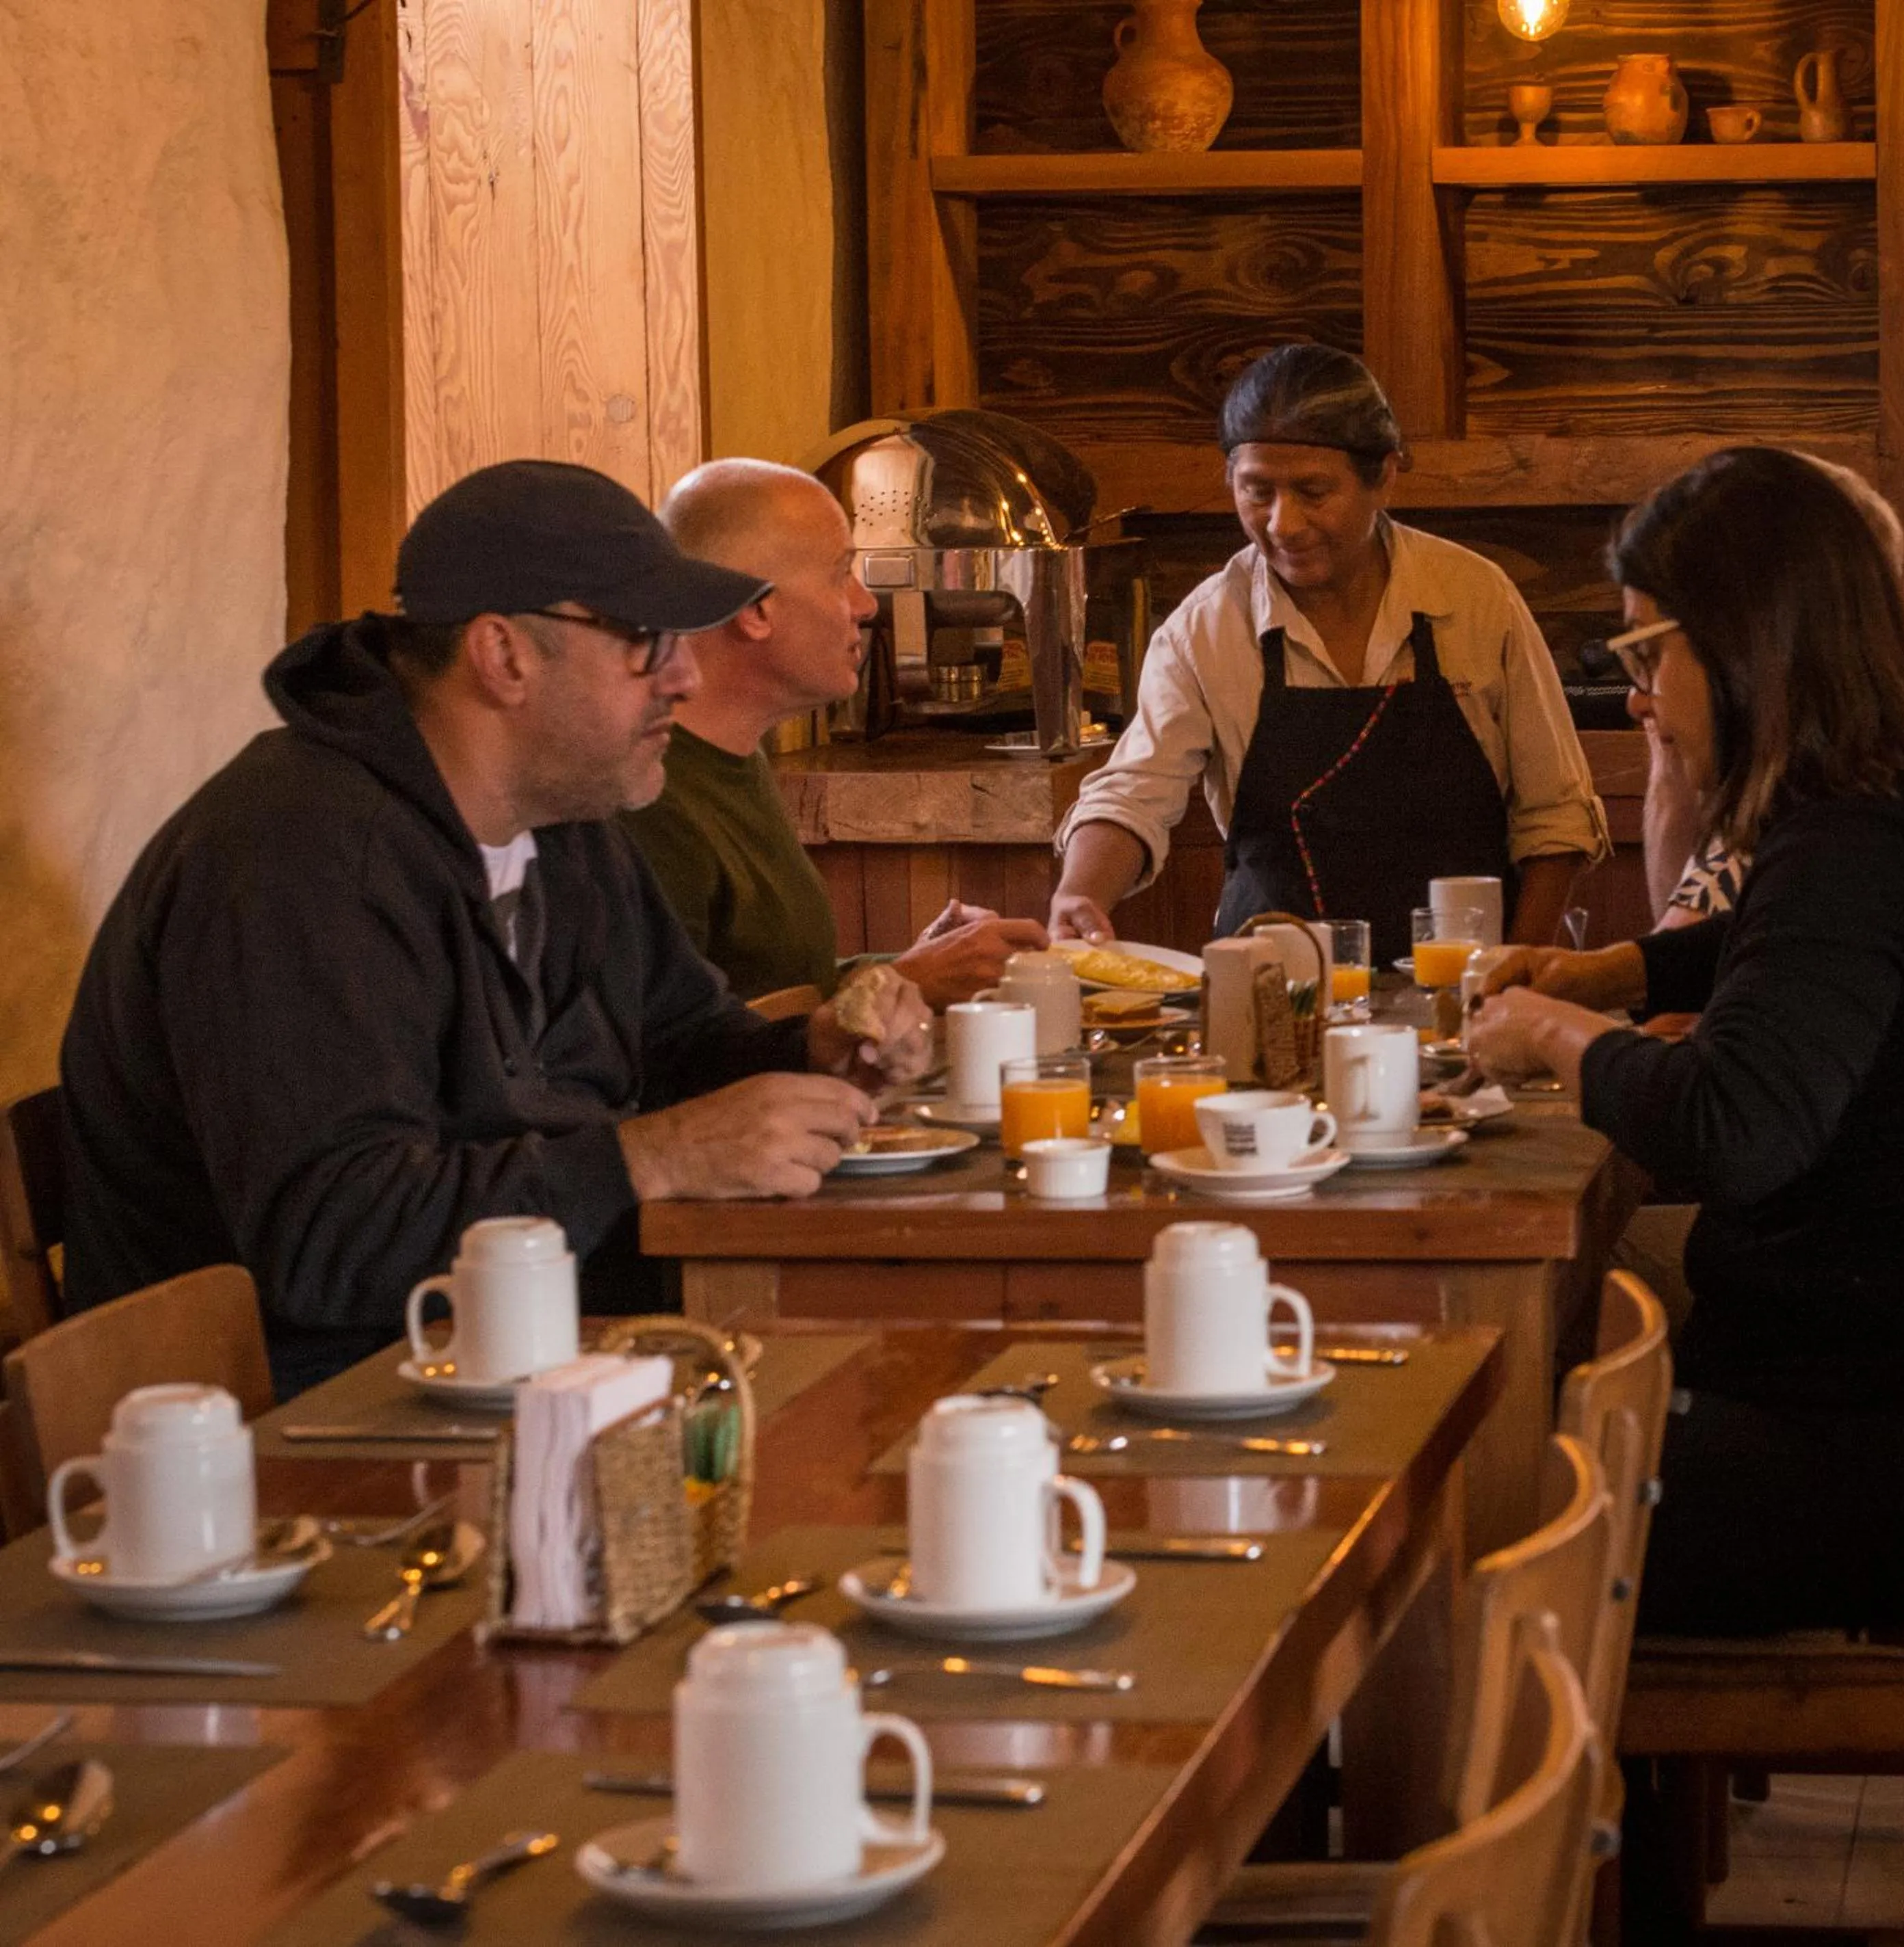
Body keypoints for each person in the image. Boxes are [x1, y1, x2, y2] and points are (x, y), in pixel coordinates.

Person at [62, 460, 931, 1396]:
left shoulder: (563, 822)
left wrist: (815, 1048)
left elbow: (678, 1041)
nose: (683, 674)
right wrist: (654, 1155)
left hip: (525, 1356)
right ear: (504, 654)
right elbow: (333, 1240)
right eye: (645, 639)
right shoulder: (299, 858)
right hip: (304, 1426)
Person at [1465, 446, 1904, 1637]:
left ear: (1745, 644)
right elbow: (1789, 961)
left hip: (1867, 1445)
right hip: (1874, 1390)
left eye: (1648, 653)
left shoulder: (1844, 848)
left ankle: (1514, 1808)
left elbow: (1736, 1126)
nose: (1637, 697)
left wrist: (1554, 1031)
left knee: (1463, 1498)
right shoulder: (1885, 809)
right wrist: (1622, 970)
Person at [1048, 345, 1606, 964]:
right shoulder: (1205, 629)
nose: (1283, 524)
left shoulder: (1473, 599)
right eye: (1257, 491)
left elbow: (1555, 816)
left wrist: (1518, 968)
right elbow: (1133, 795)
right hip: (1271, 986)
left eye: (1314, 491)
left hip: (1459, 983)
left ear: (1384, 476)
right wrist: (1081, 892)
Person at [618, 458, 1050, 1005]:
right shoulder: (647, 800)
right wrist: (900, 984)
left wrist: (912, 967)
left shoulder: (736, 755)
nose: (865, 604)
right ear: (754, 610)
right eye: (839, 573)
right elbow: (673, 1060)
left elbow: (777, 990)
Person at [1642, 455, 1904, 933]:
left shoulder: (1834, 803)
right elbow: (1680, 951)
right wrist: (1671, 770)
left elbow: (1692, 986)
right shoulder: (1776, 763)